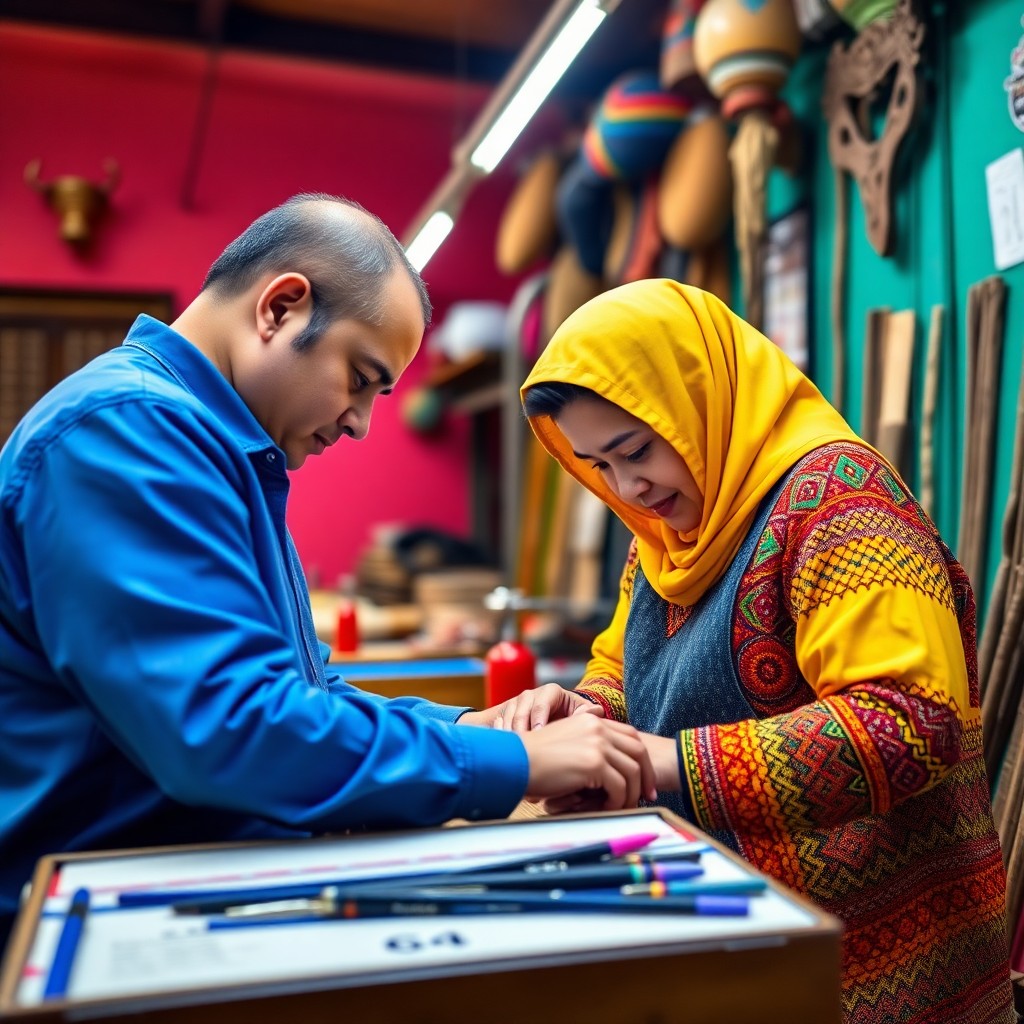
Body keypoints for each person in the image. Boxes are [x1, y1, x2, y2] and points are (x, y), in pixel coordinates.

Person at [0, 194, 655, 948]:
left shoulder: (214, 448)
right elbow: (232, 727)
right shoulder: (127, 433)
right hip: (86, 924)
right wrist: (507, 760)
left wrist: (469, 724)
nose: (360, 422)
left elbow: (295, 696)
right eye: (360, 377)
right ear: (280, 307)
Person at [490, 279, 1015, 1023]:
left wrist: (660, 762)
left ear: (697, 397)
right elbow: (625, 665)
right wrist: (584, 711)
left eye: (636, 449)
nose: (629, 486)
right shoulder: (669, 535)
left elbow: (906, 722)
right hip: (736, 937)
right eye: (599, 467)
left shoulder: (843, 503)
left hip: (879, 974)